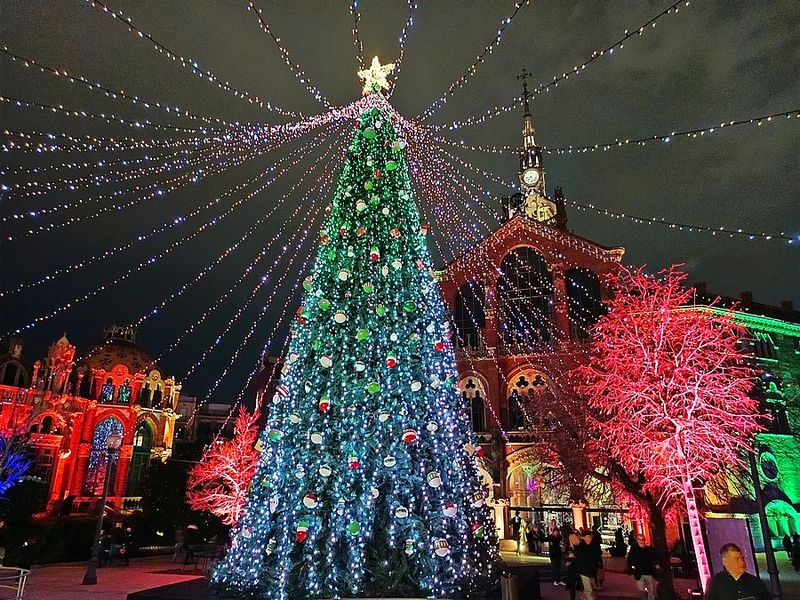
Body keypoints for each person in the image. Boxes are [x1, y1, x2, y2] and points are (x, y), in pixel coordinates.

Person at [705, 543, 769, 600]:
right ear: (725, 562)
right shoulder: (716, 582)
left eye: (742, 558)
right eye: (737, 559)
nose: (742, 562)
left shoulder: (755, 581)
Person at [628, 533, 658, 600]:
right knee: (641, 592)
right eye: (639, 539)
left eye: (642, 539)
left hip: (649, 572)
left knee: (651, 591)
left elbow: (655, 558)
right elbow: (630, 559)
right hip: (639, 573)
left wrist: (656, 565)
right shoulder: (634, 549)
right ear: (637, 540)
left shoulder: (649, 549)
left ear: (644, 540)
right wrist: (631, 569)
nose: (641, 541)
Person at [574, 529, 599, 600]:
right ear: (583, 537)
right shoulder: (580, 547)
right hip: (584, 571)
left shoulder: (592, 546)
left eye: (590, 537)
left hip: (590, 571)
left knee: (587, 590)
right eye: (588, 537)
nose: (589, 539)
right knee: (589, 590)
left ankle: (583, 598)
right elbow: (579, 559)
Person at [565, 532, 582, 600]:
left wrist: (574, 556)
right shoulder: (569, 547)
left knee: (580, 585)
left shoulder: (579, 547)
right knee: (572, 587)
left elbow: (581, 557)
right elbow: (567, 556)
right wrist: (568, 558)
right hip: (572, 568)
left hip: (578, 568)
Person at [547, 520, 564, 586]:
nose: (556, 533)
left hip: (558, 554)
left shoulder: (559, 538)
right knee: (554, 567)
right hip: (553, 555)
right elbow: (552, 546)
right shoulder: (552, 538)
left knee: (558, 568)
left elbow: (560, 543)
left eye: (557, 532)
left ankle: (559, 580)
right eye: (555, 532)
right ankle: (554, 580)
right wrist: (558, 545)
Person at [591, 524, 604, 589]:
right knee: (599, 570)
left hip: (593, 554)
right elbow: (601, 541)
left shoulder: (592, 535)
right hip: (597, 553)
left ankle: (596, 584)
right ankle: (600, 585)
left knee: (595, 571)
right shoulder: (598, 534)